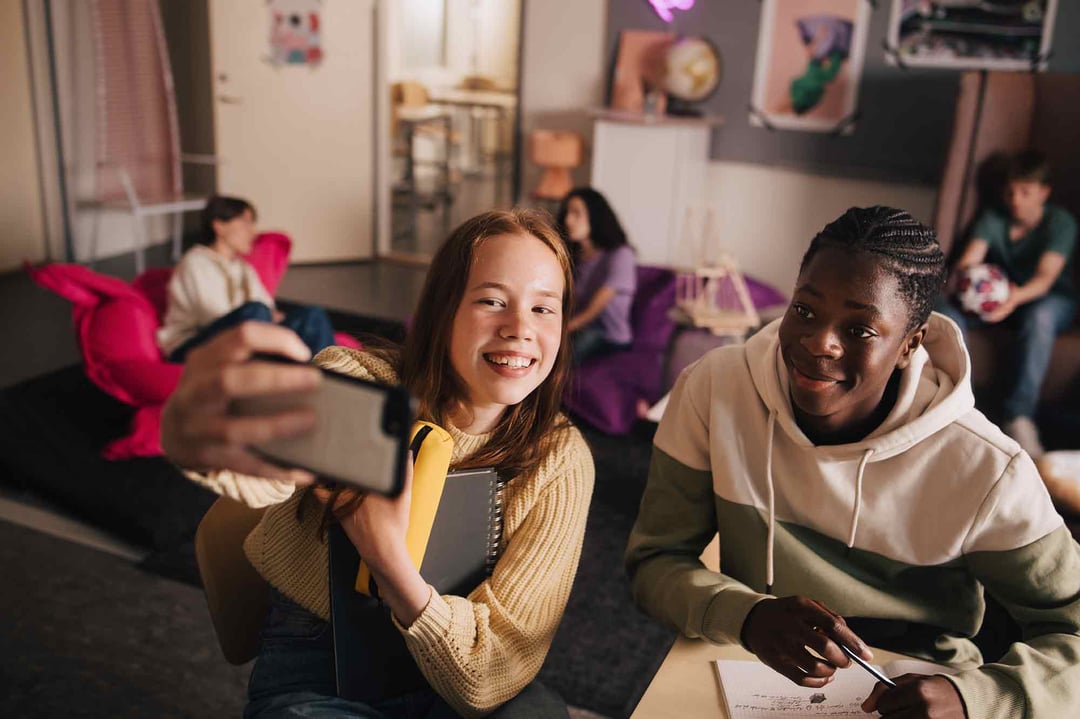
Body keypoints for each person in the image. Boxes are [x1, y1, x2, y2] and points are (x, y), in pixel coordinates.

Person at [626, 206, 1080, 718]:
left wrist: (974, 699)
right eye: (805, 311)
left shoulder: (988, 466)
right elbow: (654, 561)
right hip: (753, 668)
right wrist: (747, 616)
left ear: (911, 344)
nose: (819, 342)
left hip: (922, 691)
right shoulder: (714, 389)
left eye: (861, 330)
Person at [161, 209, 594, 718]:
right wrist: (199, 431)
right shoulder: (360, 383)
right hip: (320, 668)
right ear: (443, 308)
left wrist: (390, 563)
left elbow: (493, 672)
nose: (519, 328)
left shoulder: (561, 459)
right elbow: (264, 468)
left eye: (544, 309)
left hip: (462, 679)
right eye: (491, 301)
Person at [937, 150, 1077, 459]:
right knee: (943, 307)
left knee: (1040, 317)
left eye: (1025, 192)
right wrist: (967, 283)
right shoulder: (994, 217)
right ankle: (960, 405)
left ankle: (1020, 417)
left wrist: (1012, 298)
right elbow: (967, 262)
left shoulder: (1060, 223)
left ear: (1043, 192)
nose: (1015, 199)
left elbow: (1045, 278)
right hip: (998, 300)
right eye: (1010, 191)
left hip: (1046, 299)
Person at [156, 195, 336, 362]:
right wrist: (265, 316)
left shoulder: (243, 268)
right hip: (192, 348)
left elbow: (268, 308)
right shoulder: (195, 262)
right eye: (246, 223)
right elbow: (211, 315)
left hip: (242, 334)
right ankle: (269, 375)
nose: (253, 232)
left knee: (312, 315)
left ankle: (331, 381)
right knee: (255, 312)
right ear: (219, 226)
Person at [557, 187, 636, 365]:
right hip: (579, 329)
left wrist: (561, 328)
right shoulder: (574, 256)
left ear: (595, 216)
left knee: (559, 356)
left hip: (608, 337)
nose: (568, 220)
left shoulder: (620, 255)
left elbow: (594, 309)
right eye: (567, 213)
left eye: (576, 213)